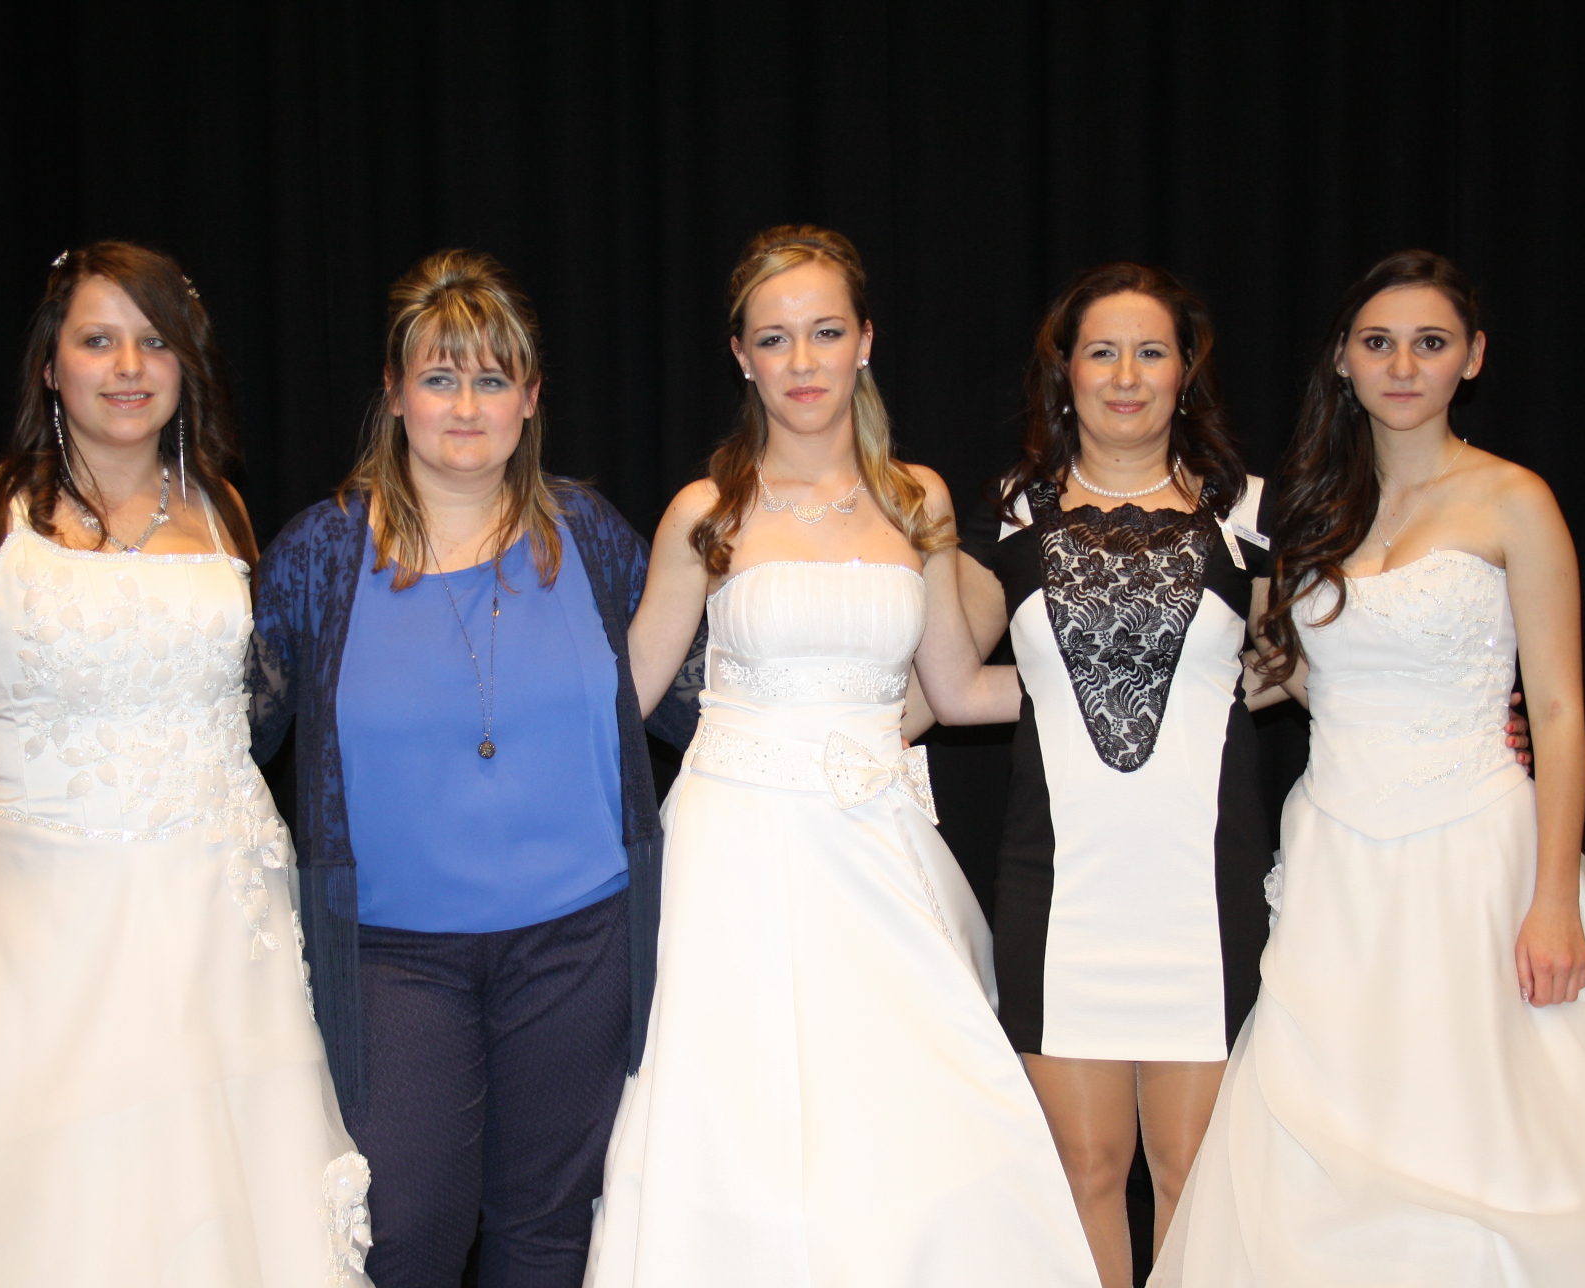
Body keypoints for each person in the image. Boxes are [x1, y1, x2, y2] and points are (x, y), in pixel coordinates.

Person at [0, 243, 372, 1287]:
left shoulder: (223, 511)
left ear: (186, 364)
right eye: (98, 339)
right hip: (45, 919)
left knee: (217, 1200)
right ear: (51, 364)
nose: (128, 366)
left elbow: (229, 708)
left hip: (217, 918)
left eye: (155, 341)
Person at [1151, 250, 1585, 1285]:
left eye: (1430, 343)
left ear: (1472, 358)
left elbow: (1560, 713)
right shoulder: (1313, 511)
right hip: (1337, 859)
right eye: (1379, 343)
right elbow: (1294, 676)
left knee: (1487, 1124)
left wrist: (1553, 899)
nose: (1402, 366)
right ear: (1344, 361)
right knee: (1330, 1122)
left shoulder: (1513, 500)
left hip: (1476, 857)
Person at [585, 225, 1099, 1286]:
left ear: (865, 340)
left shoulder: (918, 499)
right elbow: (620, 700)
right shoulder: (707, 512)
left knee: (911, 1108)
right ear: (742, 356)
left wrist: (1131, 683)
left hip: (877, 842)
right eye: (775, 339)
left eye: (825, 332)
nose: (803, 361)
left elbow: (957, 691)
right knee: (738, 1117)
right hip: (734, 849)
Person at [243, 250, 698, 1287]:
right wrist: (70, 762)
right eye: (439, 377)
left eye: (492, 379)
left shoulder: (589, 536)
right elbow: (232, 727)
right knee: (404, 1229)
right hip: (391, 956)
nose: (464, 405)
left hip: (580, 940)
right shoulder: (321, 554)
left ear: (530, 400)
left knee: (548, 1231)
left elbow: (700, 695)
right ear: (394, 393)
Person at [952, 263, 1276, 1287]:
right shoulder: (1012, 511)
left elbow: (1300, 672)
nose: (1126, 376)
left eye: (1150, 352)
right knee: (1084, 1172)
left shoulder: (1250, 511)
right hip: (1060, 894)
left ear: (1185, 371)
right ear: (1066, 372)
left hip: (1203, 893)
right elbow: (946, 686)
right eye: (1102, 352)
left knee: (1195, 1173)